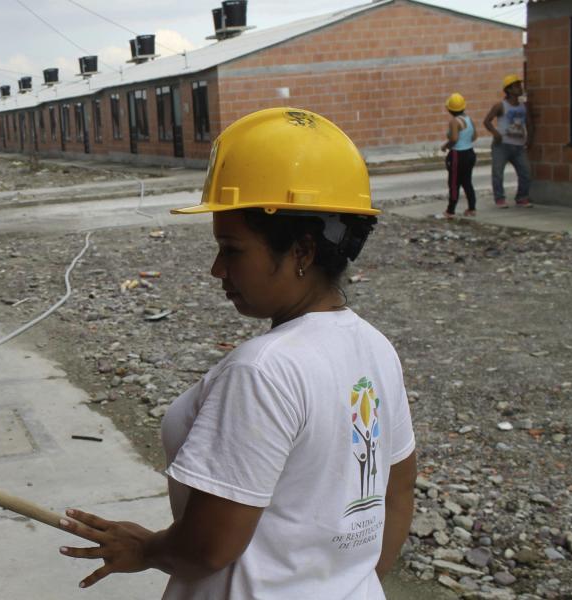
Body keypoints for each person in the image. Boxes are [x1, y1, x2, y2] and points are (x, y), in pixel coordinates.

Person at [58, 108, 418, 599]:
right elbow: (396, 496)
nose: (216, 269)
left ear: (303, 251)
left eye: (232, 249)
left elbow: (209, 547)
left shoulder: (264, 371)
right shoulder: (375, 348)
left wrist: (146, 550)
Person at [483, 74, 532, 208]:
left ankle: (522, 198)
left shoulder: (523, 106)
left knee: (525, 172)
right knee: (498, 173)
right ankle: (500, 199)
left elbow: (529, 123)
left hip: (519, 146)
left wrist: (530, 138)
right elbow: (487, 121)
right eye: (516, 86)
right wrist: (495, 133)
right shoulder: (500, 106)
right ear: (509, 90)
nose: (520, 88)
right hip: (502, 145)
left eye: (519, 85)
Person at [440, 93, 478, 218]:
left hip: (458, 155)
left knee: (454, 183)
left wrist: (446, 145)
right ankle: (472, 208)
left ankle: (451, 210)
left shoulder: (454, 122)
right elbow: (474, 136)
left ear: (449, 109)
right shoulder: (468, 119)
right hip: (470, 153)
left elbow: (454, 138)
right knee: (467, 182)